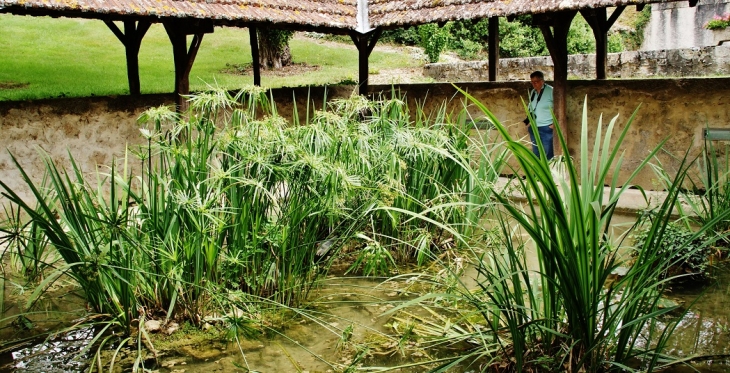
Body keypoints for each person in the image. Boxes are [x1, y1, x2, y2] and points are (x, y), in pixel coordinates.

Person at [522, 71, 554, 159]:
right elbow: (531, 108)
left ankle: (548, 172)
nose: (533, 84)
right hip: (533, 127)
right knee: (536, 153)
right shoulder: (533, 92)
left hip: (546, 127)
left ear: (542, 81)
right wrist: (528, 122)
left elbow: (559, 108)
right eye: (532, 82)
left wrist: (554, 124)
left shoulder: (551, 91)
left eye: (535, 82)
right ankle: (537, 172)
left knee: (548, 153)